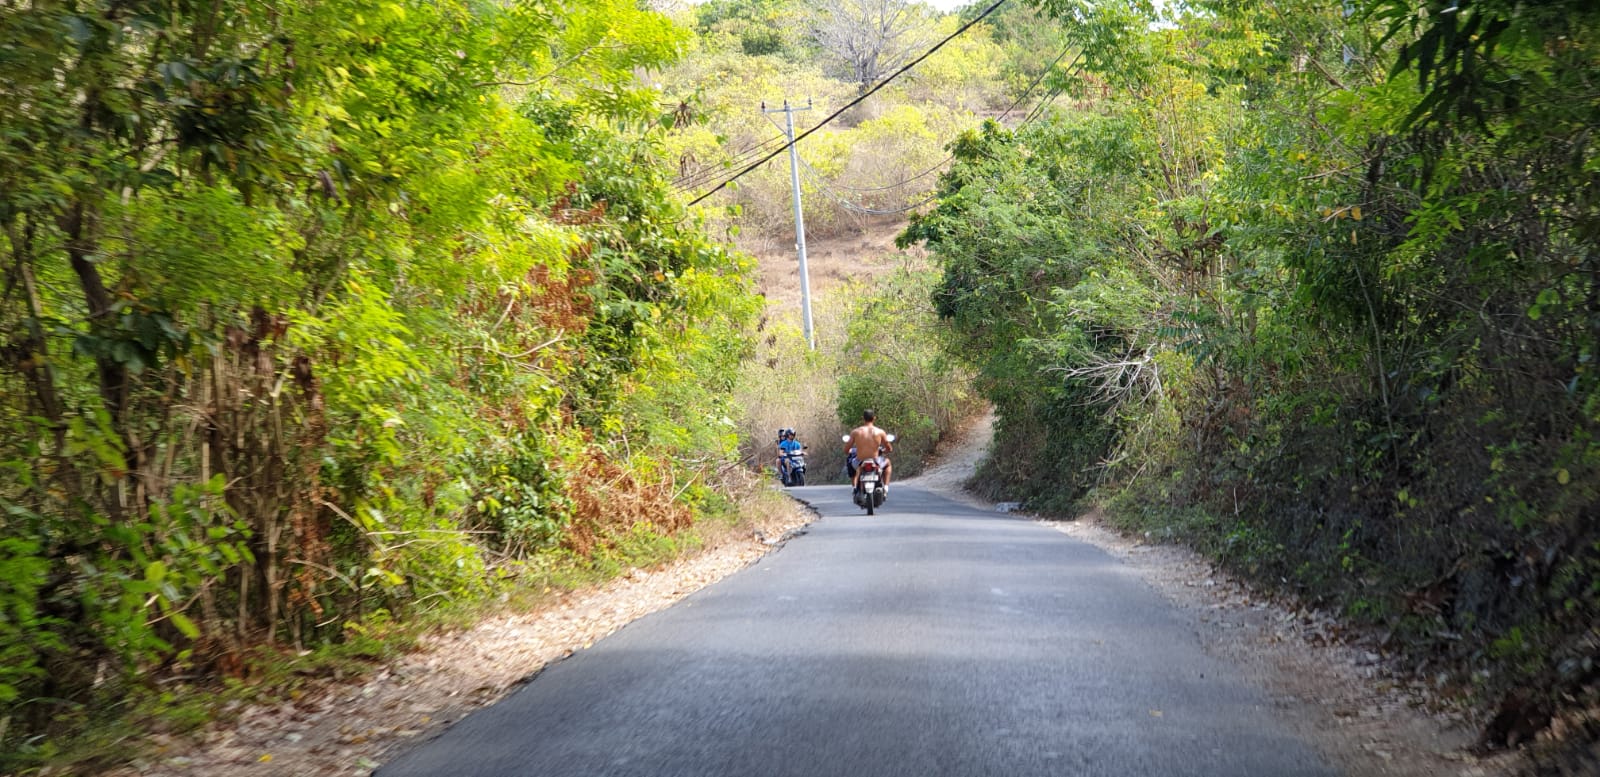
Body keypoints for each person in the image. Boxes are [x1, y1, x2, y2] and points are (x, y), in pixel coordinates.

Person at [845, 409, 892, 495]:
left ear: (863, 418)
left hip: (859, 461)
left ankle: (854, 487)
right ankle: (885, 487)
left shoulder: (856, 432)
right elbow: (889, 448)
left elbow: (846, 450)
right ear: (874, 418)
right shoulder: (880, 432)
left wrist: (849, 451)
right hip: (876, 461)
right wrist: (884, 450)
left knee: (849, 462)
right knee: (888, 463)